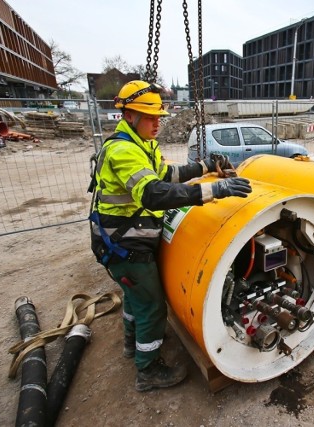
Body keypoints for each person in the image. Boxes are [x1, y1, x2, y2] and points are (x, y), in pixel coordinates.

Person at [89, 80, 252, 392]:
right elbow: (153, 193)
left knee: (135, 298)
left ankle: (130, 345)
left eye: (159, 116)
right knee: (151, 306)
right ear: (129, 117)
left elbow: (164, 175)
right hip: (125, 247)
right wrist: (214, 189)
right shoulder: (123, 151)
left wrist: (204, 165)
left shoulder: (141, 145)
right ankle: (148, 370)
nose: (157, 123)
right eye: (151, 117)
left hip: (121, 243)